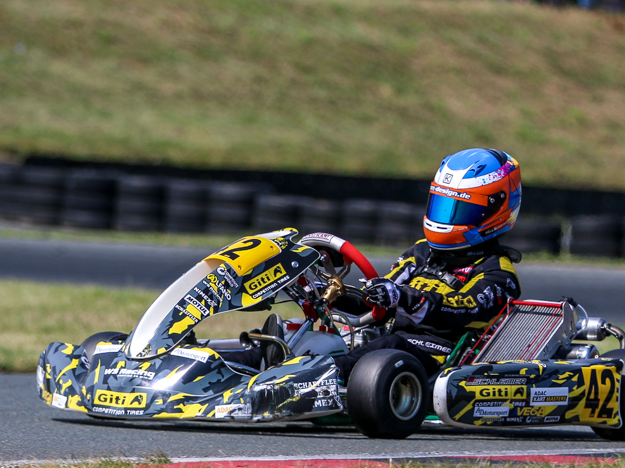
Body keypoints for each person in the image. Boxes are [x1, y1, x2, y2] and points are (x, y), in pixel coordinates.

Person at [225, 149, 524, 381]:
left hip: (433, 357)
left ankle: (292, 382)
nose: (447, 218)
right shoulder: (423, 252)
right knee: (298, 337)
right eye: (443, 206)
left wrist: (403, 297)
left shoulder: (498, 273)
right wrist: (325, 292)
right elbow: (378, 297)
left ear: (495, 210)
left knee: (379, 349)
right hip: (386, 343)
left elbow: (462, 309)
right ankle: (219, 368)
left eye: (460, 209)